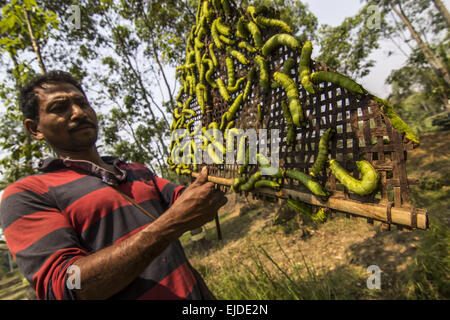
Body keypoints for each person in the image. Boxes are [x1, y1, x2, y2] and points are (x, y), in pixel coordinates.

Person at [0, 70, 227, 300]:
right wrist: (172, 224)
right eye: (59, 107)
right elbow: (67, 286)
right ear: (35, 129)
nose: (78, 112)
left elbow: (193, 198)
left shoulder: (135, 171)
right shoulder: (28, 194)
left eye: (82, 102)